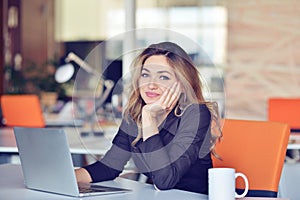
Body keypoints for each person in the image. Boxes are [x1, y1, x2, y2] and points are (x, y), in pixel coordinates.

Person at [75, 41, 222, 194]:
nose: (151, 85)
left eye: (163, 77)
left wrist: (149, 120)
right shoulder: (135, 113)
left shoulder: (195, 113)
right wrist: (67, 177)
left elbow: (165, 180)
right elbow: (109, 166)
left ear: (182, 83)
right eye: (145, 75)